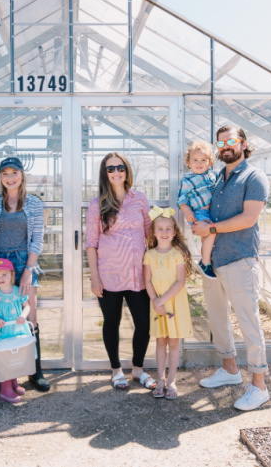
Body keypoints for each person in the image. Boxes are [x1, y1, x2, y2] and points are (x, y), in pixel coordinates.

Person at [191, 125, 271, 411]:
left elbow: (248, 218)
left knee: (248, 322)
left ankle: (259, 386)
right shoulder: (216, 179)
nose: (225, 146)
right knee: (217, 319)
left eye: (231, 141)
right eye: (221, 142)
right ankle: (230, 370)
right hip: (213, 262)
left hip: (239, 258)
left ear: (243, 143)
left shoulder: (254, 177)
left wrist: (209, 227)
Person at [0, 156, 50, 394]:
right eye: (5, 173)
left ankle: (35, 371)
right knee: (0, 316)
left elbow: (37, 240)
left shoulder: (34, 204)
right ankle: (3, 375)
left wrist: (28, 270)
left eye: (14, 173)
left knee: (30, 315)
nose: (10, 178)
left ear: (22, 176)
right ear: (0, 177)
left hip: (24, 261)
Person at [85, 152, 156, 391]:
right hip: (109, 275)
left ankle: (138, 370)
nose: (116, 172)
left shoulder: (140, 199)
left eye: (120, 167)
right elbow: (91, 243)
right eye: (110, 168)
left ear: (127, 170)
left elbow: (150, 234)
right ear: (104, 174)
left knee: (143, 324)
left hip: (138, 275)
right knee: (111, 323)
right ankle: (116, 370)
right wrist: (95, 277)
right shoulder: (97, 204)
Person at [143, 207, 195, 400]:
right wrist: (155, 302)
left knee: (173, 342)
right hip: (156, 304)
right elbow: (147, 280)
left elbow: (180, 281)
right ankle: (161, 379)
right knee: (160, 341)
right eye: (160, 229)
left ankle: (172, 380)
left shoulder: (177, 254)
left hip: (173, 302)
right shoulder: (149, 255)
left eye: (168, 229)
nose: (164, 232)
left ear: (174, 233)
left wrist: (161, 300)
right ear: (153, 232)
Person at [0, 258, 32, 404]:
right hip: (1, 333)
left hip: (16, 331)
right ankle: (5, 390)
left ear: (12, 275)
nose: (0, 279)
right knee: (4, 359)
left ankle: (13, 383)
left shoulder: (18, 292)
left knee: (14, 356)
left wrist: (23, 316)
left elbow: (27, 306)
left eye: (4, 275)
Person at [177, 139, 218, 279]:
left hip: (213, 211)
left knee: (211, 234)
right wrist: (187, 211)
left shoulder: (214, 176)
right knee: (210, 231)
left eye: (203, 160)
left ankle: (208, 258)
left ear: (210, 162)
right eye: (195, 160)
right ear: (188, 163)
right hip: (198, 212)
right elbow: (181, 199)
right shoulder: (187, 180)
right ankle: (205, 262)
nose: (199, 163)